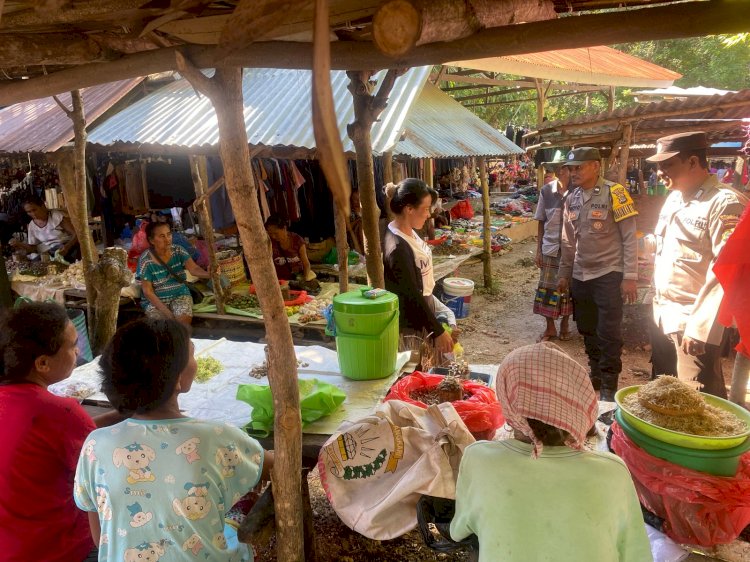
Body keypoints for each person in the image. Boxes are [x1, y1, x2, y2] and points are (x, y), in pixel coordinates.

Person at [74, 317, 273, 562]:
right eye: (192, 354)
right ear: (177, 378)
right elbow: (275, 466)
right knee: (242, 516)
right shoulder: (216, 436)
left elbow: (101, 538)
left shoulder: (95, 444)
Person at [450, 342, 651, 562]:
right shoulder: (613, 472)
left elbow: (458, 531)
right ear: (579, 403)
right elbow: (636, 555)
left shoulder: (479, 458)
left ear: (508, 402)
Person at [647, 131, 747, 398]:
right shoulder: (675, 198)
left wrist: (700, 327)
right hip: (664, 313)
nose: (659, 172)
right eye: (658, 165)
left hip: (693, 320)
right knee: (664, 393)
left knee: (699, 398)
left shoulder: (725, 203)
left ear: (693, 162)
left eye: (667, 164)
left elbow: (726, 271)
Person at [0, 303, 99, 562]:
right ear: (43, 363)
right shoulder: (58, 412)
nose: (78, 351)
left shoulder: (10, 399)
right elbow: (104, 474)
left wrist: (120, 415)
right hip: (58, 549)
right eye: (72, 345)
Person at [557, 147, 639, 402]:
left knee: (609, 331)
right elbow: (568, 241)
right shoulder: (571, 198)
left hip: (608, 273)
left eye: (578, 167)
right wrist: (564, 274)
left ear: (595, 166)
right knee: (586, 327)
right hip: (580, 275)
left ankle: (609, 383)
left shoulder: (615, 193)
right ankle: (594, 371)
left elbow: (629, 237)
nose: (574, 172)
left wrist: (631, 276)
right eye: (571, 168)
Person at [383, 179, 455, 355]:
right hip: (412, 326)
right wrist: (437, 330)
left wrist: (442, 316)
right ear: (409, 209)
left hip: (424, 314)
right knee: (420, 373)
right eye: (425, 208)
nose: (429, 214)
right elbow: (411, 295)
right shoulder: (397, 248)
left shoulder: (409, 232)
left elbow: (423, 285)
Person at [137, 221, 211, 325]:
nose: (167, 239)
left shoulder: (178, 250)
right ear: (151, 240)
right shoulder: (146, 260)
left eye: (168, 234)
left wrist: (209, 274)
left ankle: (184, 341)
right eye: (162, 236)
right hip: (156, 300)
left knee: (183, 323)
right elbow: (148, 292)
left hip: (179, 294)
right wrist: (167, 313)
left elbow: (193, 269)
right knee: (161, 325)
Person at [534, 162, 573, 342]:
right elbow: (541, 220)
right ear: (560, 172)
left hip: (571, 250)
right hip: (550, 247)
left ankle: (565, 324)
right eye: (568, 170)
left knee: (568, 289)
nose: (572, 173)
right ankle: (550, 328)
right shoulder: (546, 191)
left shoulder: (577, 191)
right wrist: (538, 250)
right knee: (547, 289)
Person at [9, 195, 79, 260]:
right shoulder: (32, 226)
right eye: (29, 212)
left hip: (68, 248)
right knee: (36, 263)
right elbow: (33, 248)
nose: (33, 214)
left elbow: (76, 234)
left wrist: (67, 247)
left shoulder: (56, 216)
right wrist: (19, 244)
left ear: (42, 206)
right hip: (51, 251)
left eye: (34, 210)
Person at [264, 215, 315, 282]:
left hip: (296, 279)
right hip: (279, 281)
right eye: (270, 234)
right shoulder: (269, 242)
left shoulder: (298, 240)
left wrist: (305, 279)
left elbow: (306, 264)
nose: (273, 236)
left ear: (284, 228)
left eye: (276, 233)